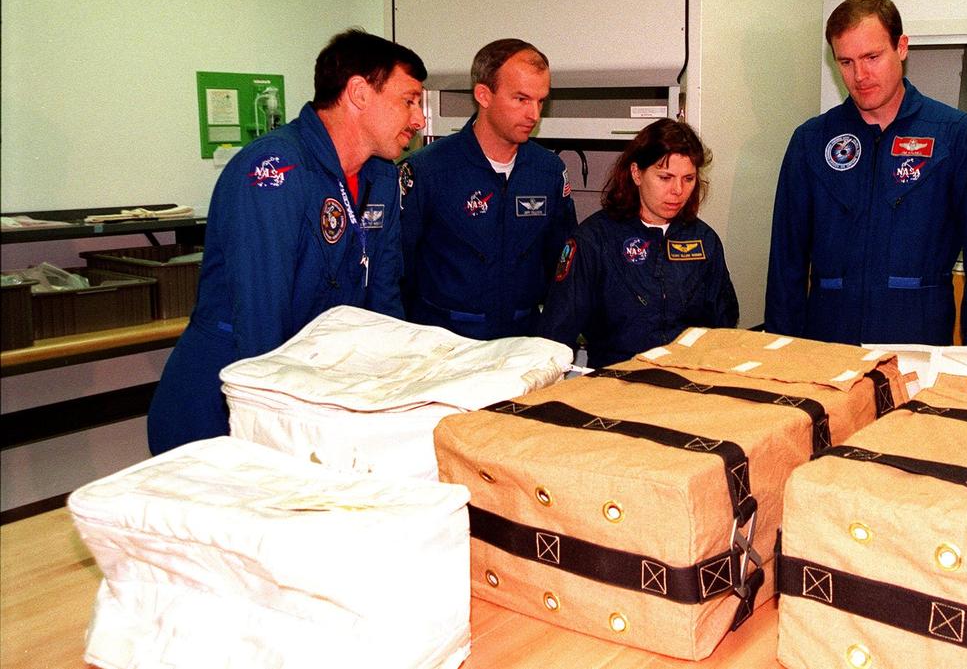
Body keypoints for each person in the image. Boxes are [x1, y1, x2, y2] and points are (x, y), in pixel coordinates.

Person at [148, 29, 427, 453]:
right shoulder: (275, 170)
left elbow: (384, 296)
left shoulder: (382, 177)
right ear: (358, 93)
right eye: (409, 100)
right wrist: (279, 427)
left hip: (311, 390)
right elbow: (261, 318)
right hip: (232, 398)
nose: (419, 119)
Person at [765, 0, 967, 346]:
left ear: (901, 47)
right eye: (846, 62)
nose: (860, 75)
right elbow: (784, 266)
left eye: (871, 57)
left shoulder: (952, 135)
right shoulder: (811, 140)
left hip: (917, 344)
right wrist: (781, 355)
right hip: (828, 345)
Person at [398, 39, 576, 339]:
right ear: (484, 95)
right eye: (521, 99)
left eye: (540, 101)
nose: (534, 114)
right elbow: (398, 272)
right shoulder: (428, 170)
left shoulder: (548, 173)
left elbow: (563, 268)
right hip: (445, 347)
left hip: (520, 345)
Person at [538, 119, 738, 368]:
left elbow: (725, 328)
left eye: (688, 179)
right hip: (616, 385)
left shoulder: (704, 241)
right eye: (665, 177)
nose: (678, 190)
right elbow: (555, 336)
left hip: (689, 384)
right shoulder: (595, 240)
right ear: (636, 173)